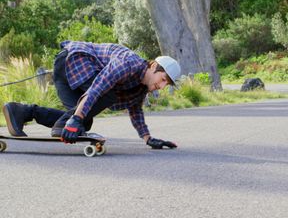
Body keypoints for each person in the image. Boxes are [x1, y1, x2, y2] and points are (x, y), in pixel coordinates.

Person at [2, 41, 179, 149]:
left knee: (84, 121)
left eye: (166, 85)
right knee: (99, 101)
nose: (162, 87)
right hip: (74, 61)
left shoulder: (140, 87)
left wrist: (148, 139)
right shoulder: (129, 63)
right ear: (154, 66)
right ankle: (65, 124)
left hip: (71, 73)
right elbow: (99, 86)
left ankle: (22, 111)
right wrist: (76, 118)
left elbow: (136, 111)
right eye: (163, 79)